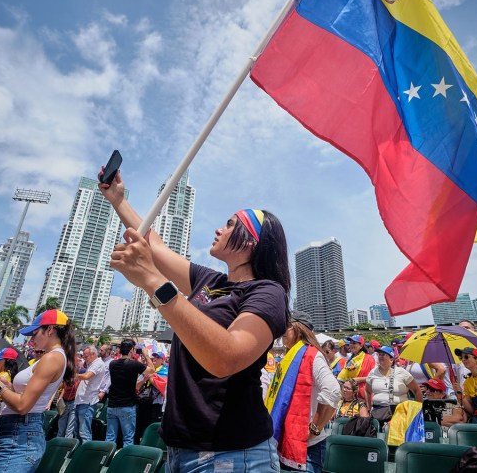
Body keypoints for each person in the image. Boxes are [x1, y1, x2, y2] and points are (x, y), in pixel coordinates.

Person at [103, 170, 290, 472]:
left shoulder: (267, 292)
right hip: (180, 449)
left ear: (251, 242)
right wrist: (118, 199)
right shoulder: (210, 281)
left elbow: (226, 357)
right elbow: (156, 245)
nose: (218, 229)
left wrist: (153, 280)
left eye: (230, 224)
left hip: (233, 455)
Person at [0, 310, 76, 473]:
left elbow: (23, 405)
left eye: (35, 333)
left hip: (20, 434)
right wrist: (7, 386)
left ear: (50, 330)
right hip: (18, 433)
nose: (31, 339)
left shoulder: (52, 358)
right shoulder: (52, 356)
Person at [268, 311, 339, 472]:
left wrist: (314, 429)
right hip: (288, 439)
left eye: (287, 327)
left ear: (298, 328)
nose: (282, 332)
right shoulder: (291, 355)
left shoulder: (312, 355)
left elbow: (333, 391)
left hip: (307, 447)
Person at [106, 339, 154, 447]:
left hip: (112, 404)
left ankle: (106, 461)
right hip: (127, 405)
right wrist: (146, 355)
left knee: (110, 437)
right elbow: (152, 370)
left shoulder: (112, 364)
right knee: (128, 438)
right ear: (131, 350)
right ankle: (125, 462)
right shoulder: (133, 364)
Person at [366, 345, 422, 423]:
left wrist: (416, 412)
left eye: (383, 355)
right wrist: (368, 409)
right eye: (379, 354)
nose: (380, 356)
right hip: (378, 412)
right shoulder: (373, 372)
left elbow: (417, 391)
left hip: (399, 413)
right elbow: (368, 391)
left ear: (391, 359)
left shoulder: (402, 372)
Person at [72, 345, 107, 442]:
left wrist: (74, 376)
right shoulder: (92, 364)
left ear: (93, 354)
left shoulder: (98, 364)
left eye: (86, 357)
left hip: (87, 402)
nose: (84, 359)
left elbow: (87, 376)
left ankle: (85, 455)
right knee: (78, 432)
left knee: (84, 432)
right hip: (82, 401)